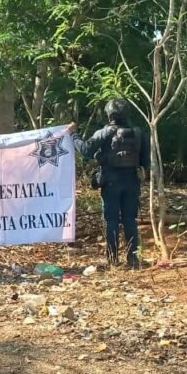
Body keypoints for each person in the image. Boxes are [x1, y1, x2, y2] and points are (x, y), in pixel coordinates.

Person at [68, 99, 150, 269]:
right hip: (132, 182)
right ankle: (133, 260)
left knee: (111, 220)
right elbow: (145, 162)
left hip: (110, 182)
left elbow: (86, 150)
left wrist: (73, 135)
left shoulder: (104, 133)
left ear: (108, 114)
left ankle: (112, 260)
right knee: (130, 219)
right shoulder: (138, 133)